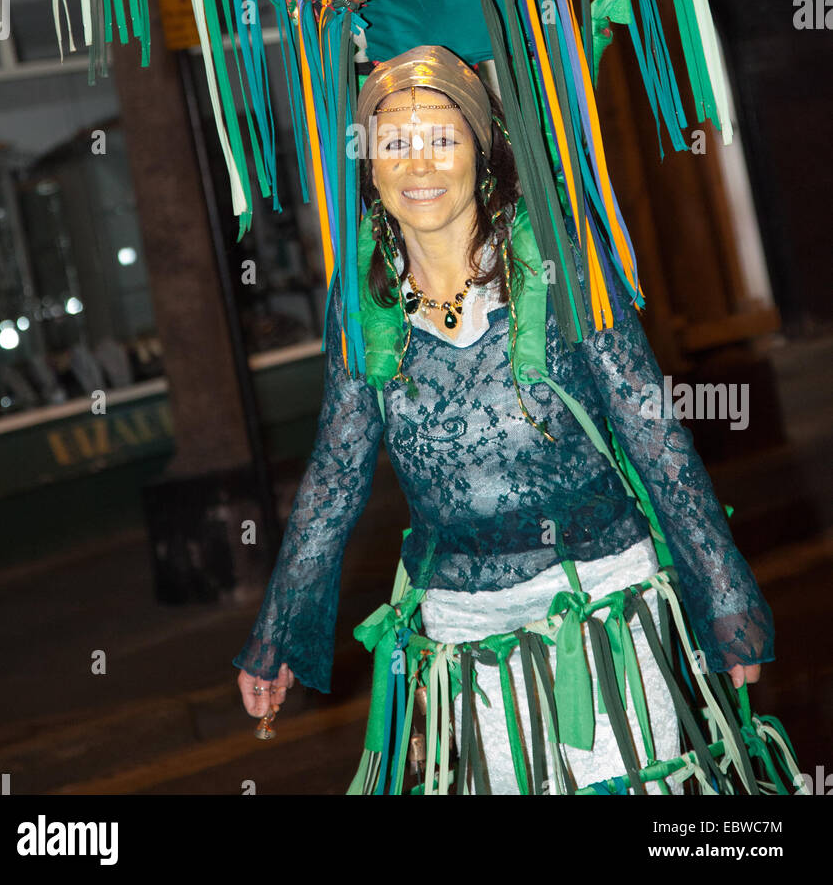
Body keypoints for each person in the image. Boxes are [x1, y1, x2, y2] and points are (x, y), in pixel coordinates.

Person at [234, 45, 774, 794]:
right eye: (395, 143)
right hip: (463, 633)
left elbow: (651, 427)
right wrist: (279, 632)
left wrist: (722, 591)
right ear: (370, 169)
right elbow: (335, 473)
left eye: (442, 139)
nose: (419, 165)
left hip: (606, 604)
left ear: (483, 155)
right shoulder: (361, 304)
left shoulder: (561, 259)